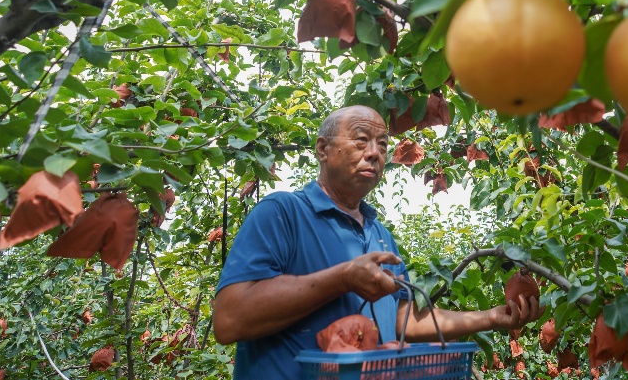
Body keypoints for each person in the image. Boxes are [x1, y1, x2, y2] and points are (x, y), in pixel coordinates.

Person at [213, 105, 542, 380]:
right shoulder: (282, 213)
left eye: (383, 145)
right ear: (323, 149)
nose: (374, 153)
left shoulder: (379, 234)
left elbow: (400, 317)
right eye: (361, 140)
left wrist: (490, 317)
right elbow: (229, 321)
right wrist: (342, 279)